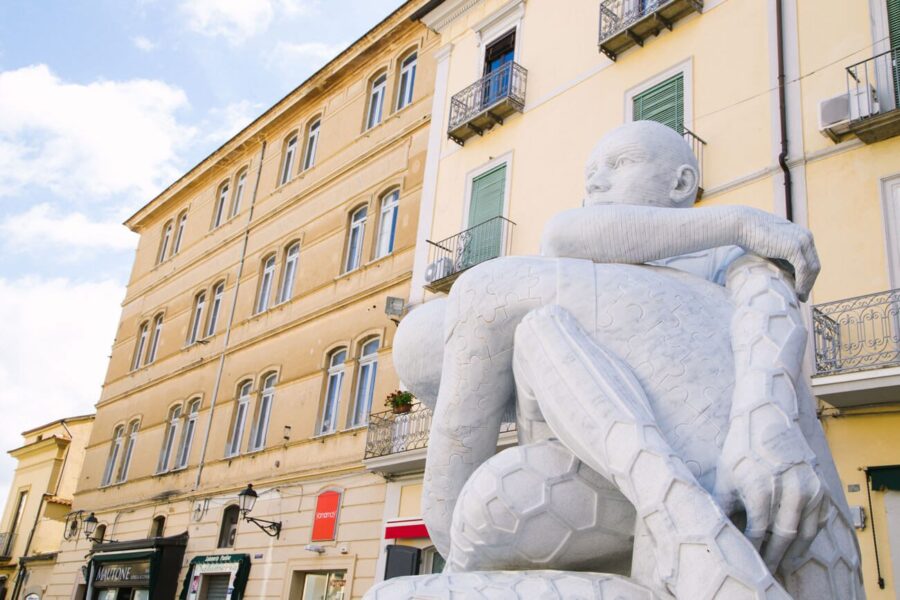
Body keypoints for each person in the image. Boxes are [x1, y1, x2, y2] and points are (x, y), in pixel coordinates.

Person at [384, 121, 860, 599]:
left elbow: (770, 311)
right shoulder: (586, 276)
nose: (595, 182)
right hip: (598, 475)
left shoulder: (719, 255)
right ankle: (463, 547)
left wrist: (764, 423)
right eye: (591, 172)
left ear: (680, 184)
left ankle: (681, 523)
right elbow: (567, 237)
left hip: (721, 468)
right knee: (510, 335)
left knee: (484, 293)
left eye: (619, 164)